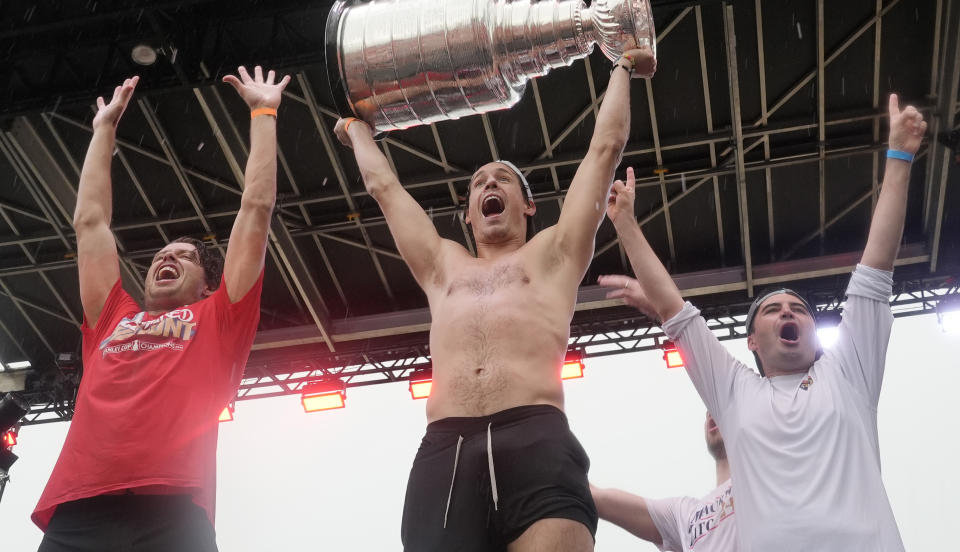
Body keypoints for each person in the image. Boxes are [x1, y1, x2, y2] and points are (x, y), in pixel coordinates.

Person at [335, 47, 656, 551]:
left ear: (527, 205)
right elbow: (385, 189)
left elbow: (604, 149)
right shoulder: (443, 266)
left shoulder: (554, 253)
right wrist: (356, 131)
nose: (489, 183)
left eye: (502, 178)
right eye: (479, 183)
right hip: (447, 449)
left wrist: (623, 65)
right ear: (467, 216)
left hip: (536, 437)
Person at [597, 94, 926, 551]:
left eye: (800, 309)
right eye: (773, 310)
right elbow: (676, 311)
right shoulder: (734, 393)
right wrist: (626, 225)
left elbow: (875, 267)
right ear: (751, 341)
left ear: (815, 332)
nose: (789, 312)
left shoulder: (850, 371)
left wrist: (900, 156)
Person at [33, 66, 290, 552]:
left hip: (174, 513)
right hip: (80, 511)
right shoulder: (113, 317)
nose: (167, 257)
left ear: (207, 285)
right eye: (160, 255)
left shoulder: (219, 317)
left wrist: (263, 112)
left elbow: (255, 207)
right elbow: (90, 223)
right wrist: (103, 130)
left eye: (184, 256)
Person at [591, 412, 737, 551]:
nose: (711, 412)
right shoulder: (686, 515)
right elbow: (596, 498)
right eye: (709, 408)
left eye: (720, 407)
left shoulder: (755, 485)